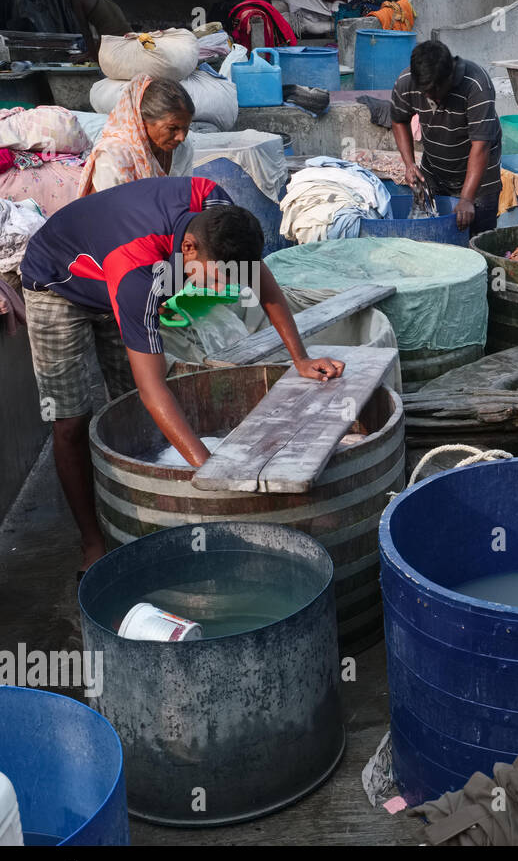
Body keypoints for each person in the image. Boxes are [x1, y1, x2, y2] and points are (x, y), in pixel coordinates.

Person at [20, 176, 343, 577]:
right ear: (187, 248)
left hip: (110, 263)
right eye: (217, 276)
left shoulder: (216, 210)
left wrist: (300, 358)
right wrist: (209, 471)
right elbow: (152, 387)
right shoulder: (139, 273)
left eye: (231, 277)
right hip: (61, 282)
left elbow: (259, 278)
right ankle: (92, 540)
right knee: (71, 420)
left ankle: (149, 515)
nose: (224, 288)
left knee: (132, 409)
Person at [390, 39, 503, 235]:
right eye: (426, 92)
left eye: (436, 91)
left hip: (480, 181)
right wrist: (409, 164)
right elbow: (399, 120)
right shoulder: (406, 81)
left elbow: (481, 145)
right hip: (434, 174)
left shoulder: (476, 84)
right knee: (433, 242)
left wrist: (467, 198)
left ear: (450, 76)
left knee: (479, 243)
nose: (432, 98)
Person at [78, 75, 194, 197]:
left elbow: (184, 196)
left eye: (185, 128)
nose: (181, 137)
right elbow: (108, 211)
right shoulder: (114, 156)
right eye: (172, 128)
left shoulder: (183, 148)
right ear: (143, 120)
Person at [64, 0, 130, 64]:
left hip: (114, 44)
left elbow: (86, 32)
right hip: (129, 40)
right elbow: (111, 30)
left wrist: (94, 57)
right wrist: (88, 54)